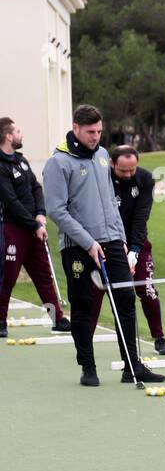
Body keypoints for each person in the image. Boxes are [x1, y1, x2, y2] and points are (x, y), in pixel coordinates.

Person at [42, 105, 164, 387]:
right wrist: (88, 242)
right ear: (76, 129)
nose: (96, 137)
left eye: (99, 131)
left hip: (112, 242)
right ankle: (88, 367)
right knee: (83, 305)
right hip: (78, 246)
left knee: (126, 300)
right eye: (90, 132)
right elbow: (57, 211)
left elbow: (111, 202)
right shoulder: (58, 163)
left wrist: (121, 239)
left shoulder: (102, 156)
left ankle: (132, 367)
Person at [0, 117, 71, 337]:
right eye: (18, 131)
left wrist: (40, 214)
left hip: (33, 228)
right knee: (8, 276)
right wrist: (33, 223)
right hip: (12, 229)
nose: (21, 134)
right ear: (8, 135)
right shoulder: (1, 166)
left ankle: (56, 318)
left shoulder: (21, 161)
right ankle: (0, 320)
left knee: (43, 275)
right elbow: (10, 201)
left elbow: (36, 188)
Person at [107, 146, 165, 355]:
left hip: (137, 241)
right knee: (112, 294)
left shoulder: (145, 179)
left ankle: (159, 337)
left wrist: (134, 251)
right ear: (112, 163)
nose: (128, 175)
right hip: (109, 241)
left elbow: (141, 217)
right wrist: (120, 245)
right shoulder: (103, 180)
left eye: (132, 170)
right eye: (123, 171)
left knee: (147, 289)